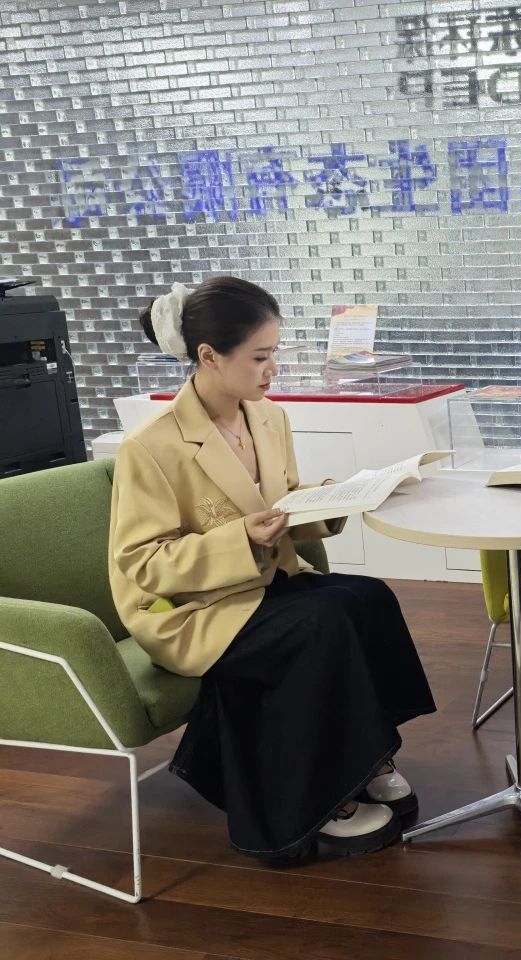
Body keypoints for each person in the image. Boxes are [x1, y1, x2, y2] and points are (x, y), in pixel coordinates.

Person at [108, 276, 436, 862]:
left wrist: (331, 499)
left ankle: (369, 759)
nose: (273, 369)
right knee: (319, 626)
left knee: (369, 598)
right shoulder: (151, 446)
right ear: (209, 356)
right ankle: (327, 799)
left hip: (264, 581)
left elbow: (277, 503)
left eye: (275, 353)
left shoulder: (267, 418)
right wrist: (240, 537)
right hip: (193, 609)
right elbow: (143, 563)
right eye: (260, 357)